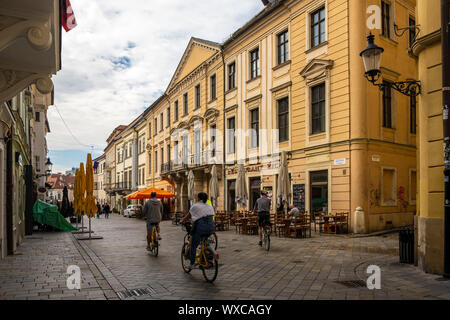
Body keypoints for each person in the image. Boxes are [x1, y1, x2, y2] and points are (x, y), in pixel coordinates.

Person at [180, 192, 215, 271]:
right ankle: (207, 255)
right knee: (205, 241)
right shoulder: (209, 205)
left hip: (200, 228)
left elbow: (188, 216)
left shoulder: (195, 206)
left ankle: (192, 264)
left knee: (193, 245)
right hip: (211, 228)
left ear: (198, 198)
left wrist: (182, 221)